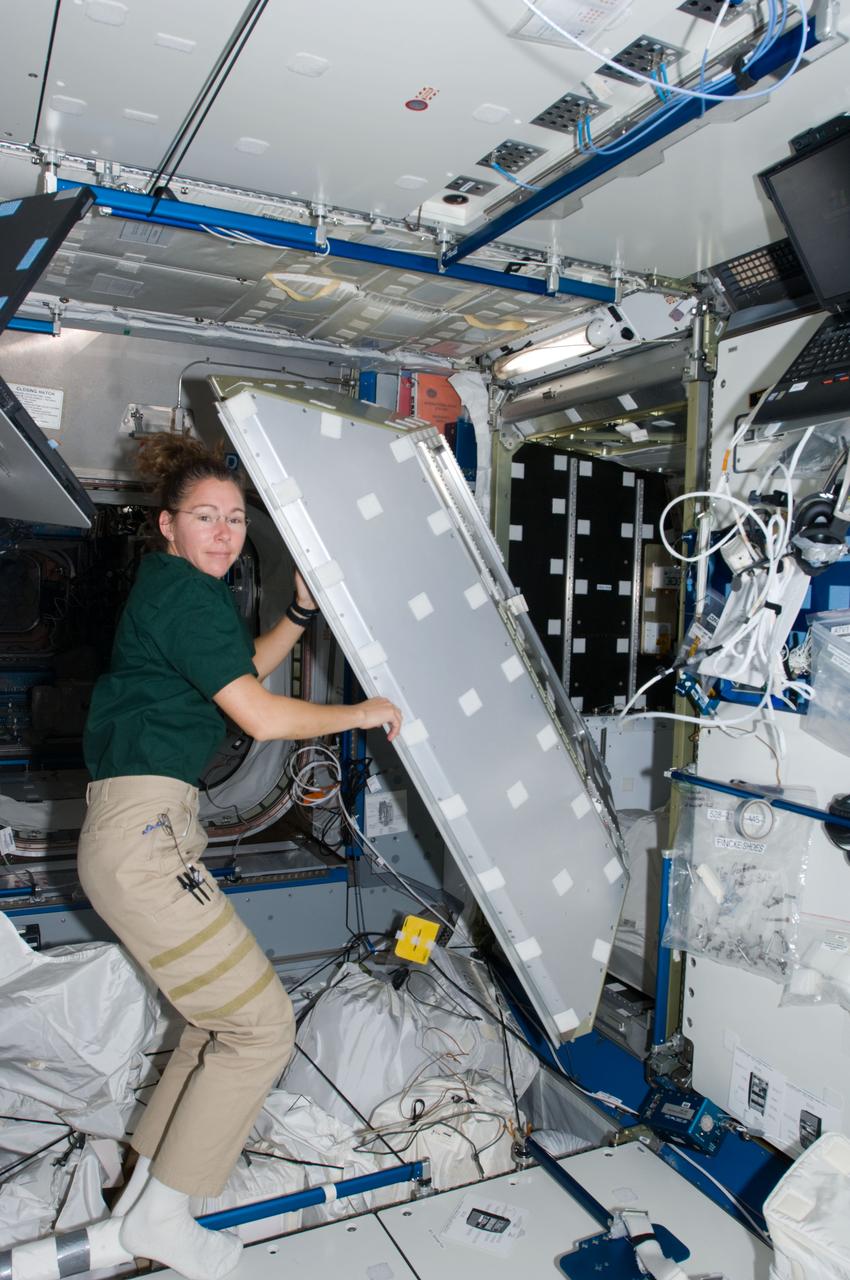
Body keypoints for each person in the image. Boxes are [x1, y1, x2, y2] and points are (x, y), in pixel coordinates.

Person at [77, 434, 402, 1280]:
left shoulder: (186, 597)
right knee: (261, 1029)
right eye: (204, 519)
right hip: (142, 839)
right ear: (167, 526)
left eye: (233, 520)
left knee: (211, 1023)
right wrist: (360, 712)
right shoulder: (184, 595)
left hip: (146, 833)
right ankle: (165, 1218)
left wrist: (294, 616)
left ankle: (143, 1194)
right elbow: (259, 718)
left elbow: (237, 679)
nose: (223, 535)